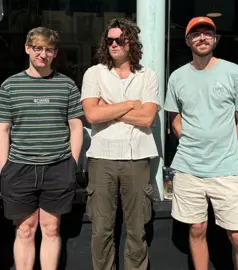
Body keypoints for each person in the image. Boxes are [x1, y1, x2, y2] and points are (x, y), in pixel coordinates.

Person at [164, 16, 238, 270]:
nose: (202, 38)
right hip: (189, 168)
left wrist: (224, 148)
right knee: (196, 229)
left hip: (226, 169)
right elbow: (175, 120)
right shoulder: (177, 77)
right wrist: (194, 144)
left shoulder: (233, 72)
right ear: (188, 40)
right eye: (196, 34)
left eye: (207, 33)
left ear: (215, 39)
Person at [0, 27, 84, 269]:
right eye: (38, 48)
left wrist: (72, 164)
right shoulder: (10, 86)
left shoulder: (66, 86)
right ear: (27, 49)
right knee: (24, 229)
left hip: (58, 166)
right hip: (20, 167)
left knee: (51, 228)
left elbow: (76, 127)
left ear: (55, 53)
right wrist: (5, 168)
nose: (43, 54)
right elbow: (2, 130)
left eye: (49, 50)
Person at [81, 18, 160, 270]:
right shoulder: (94, 73)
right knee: (102, 229)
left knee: (138, 229)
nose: (114, 44)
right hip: (102, 158)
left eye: (120, 39)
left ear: (131, 42)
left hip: (137, 158)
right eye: (110, 40)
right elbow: (91, 115)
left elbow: (147, 118)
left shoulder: (148, 75)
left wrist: (108, 107)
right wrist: (129, 104)